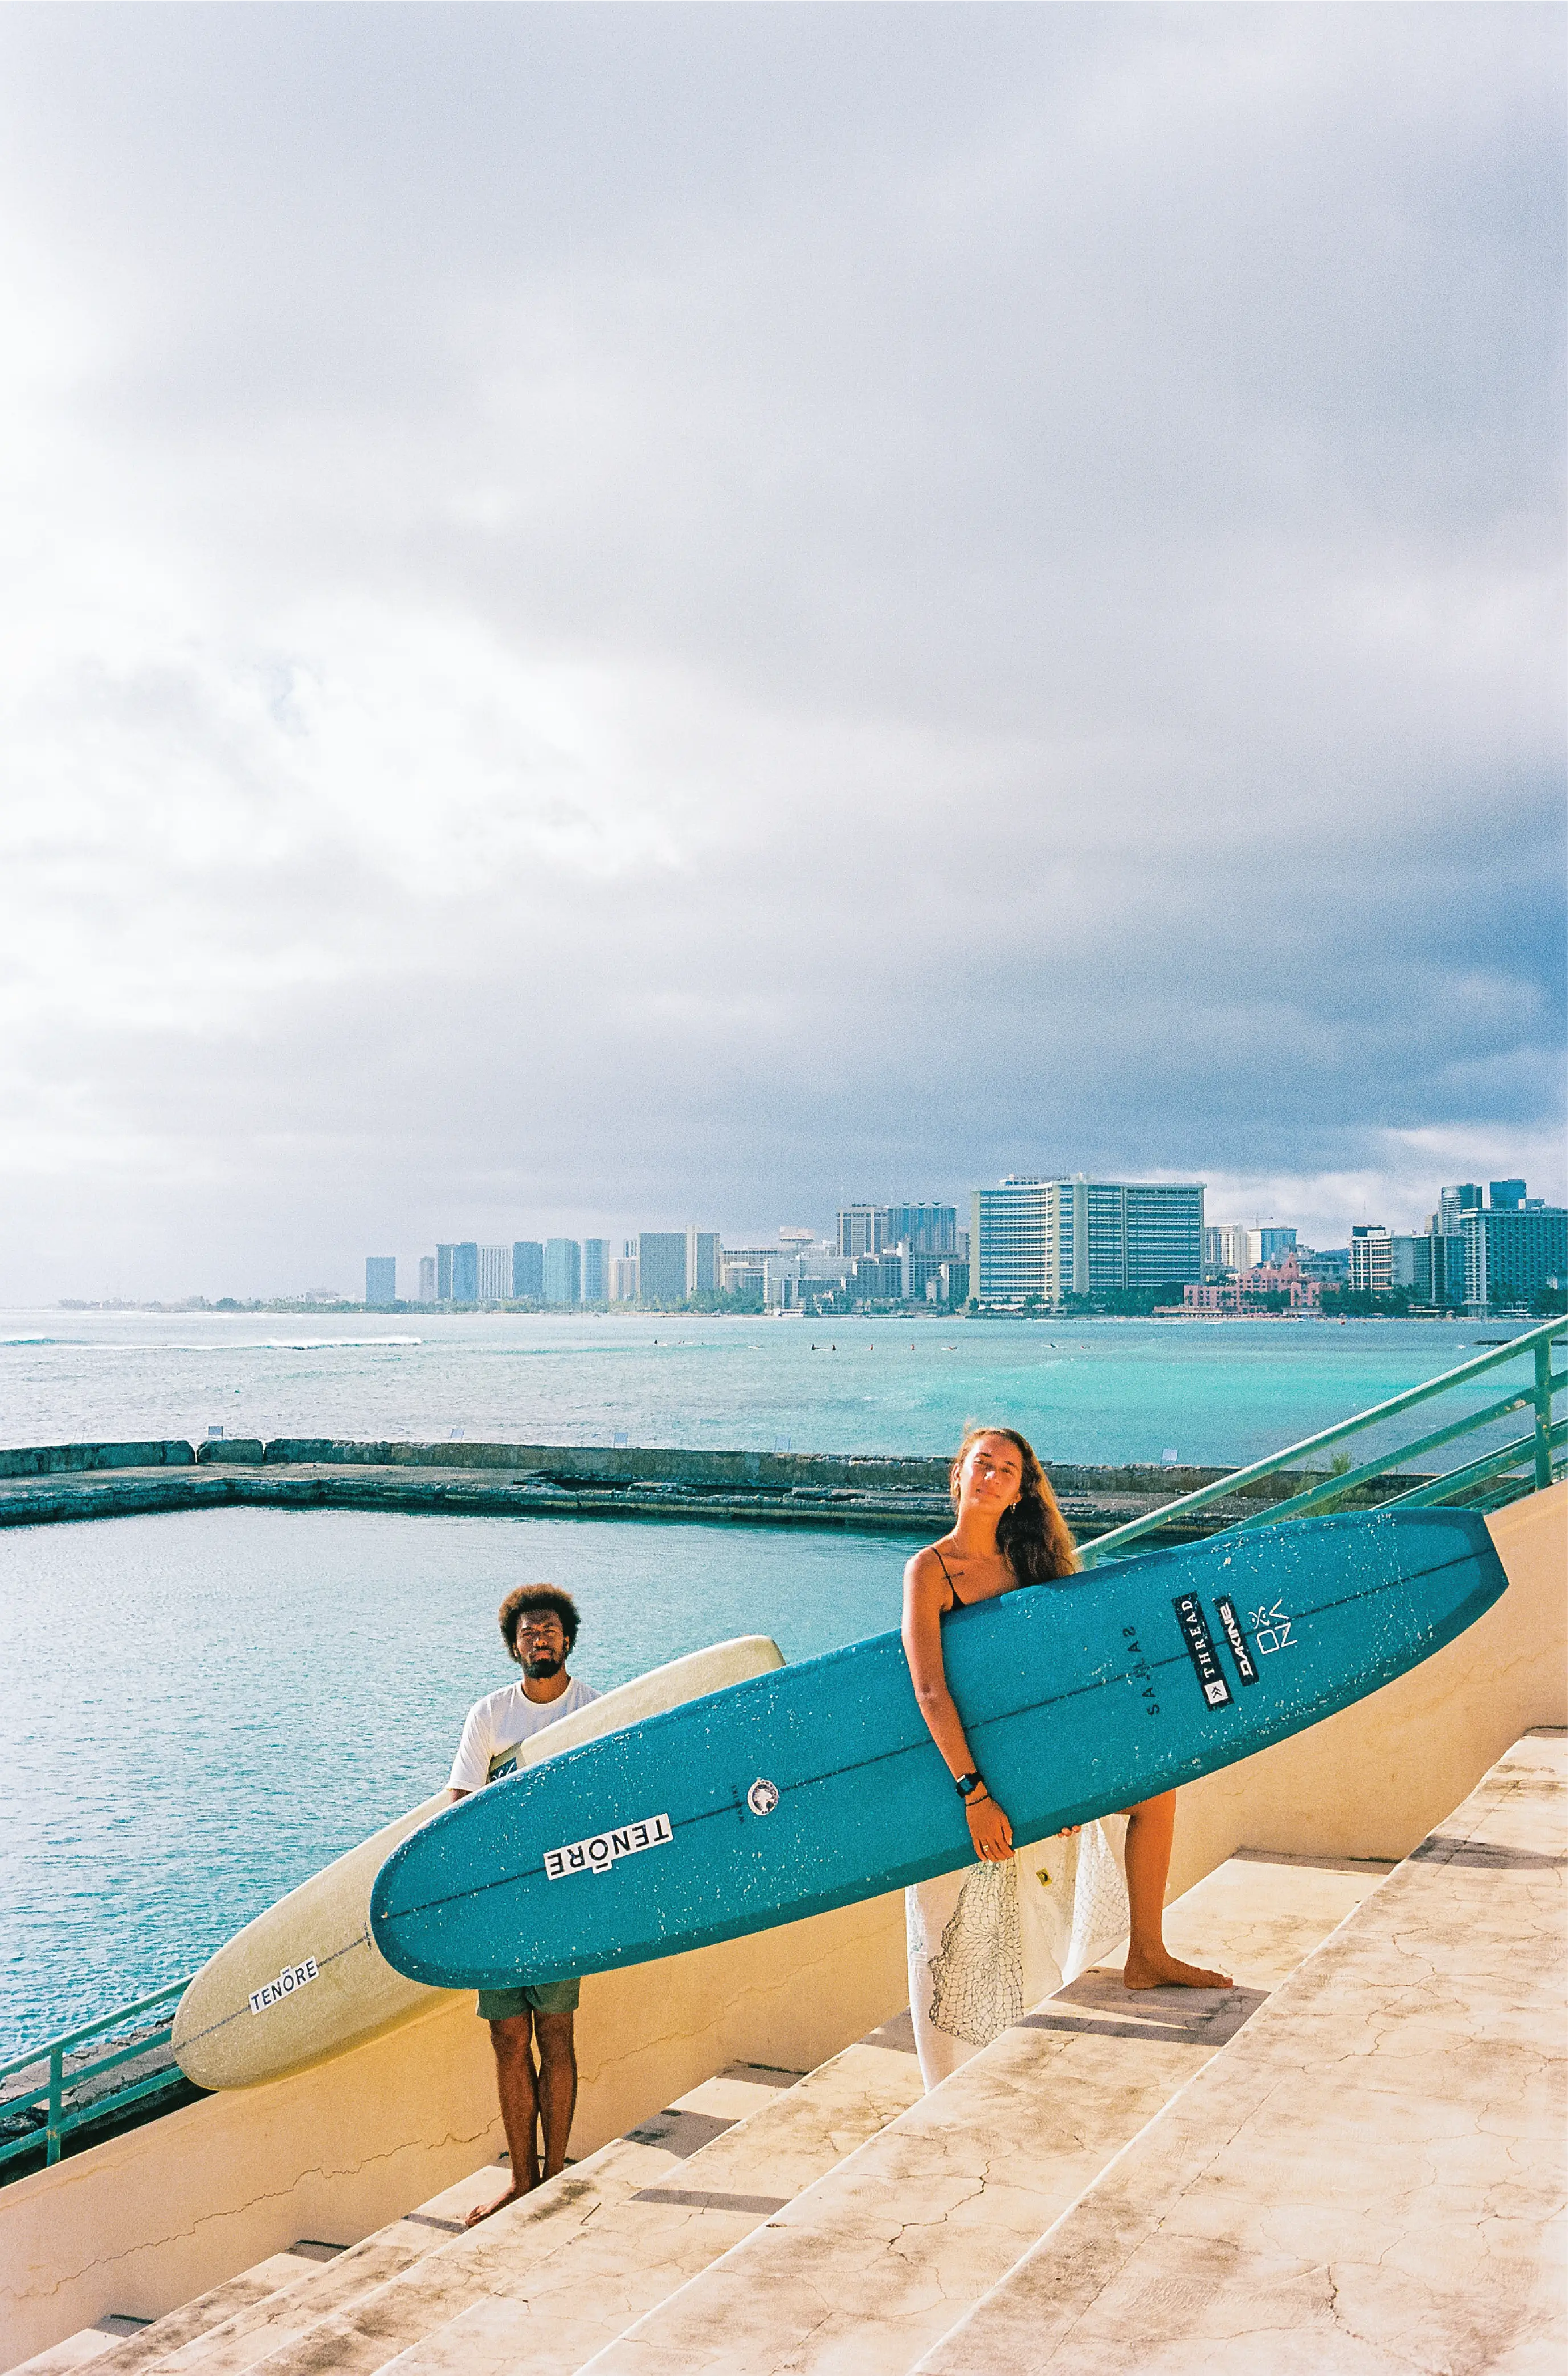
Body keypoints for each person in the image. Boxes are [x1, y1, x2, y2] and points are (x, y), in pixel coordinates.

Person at [902, 1427, 1231, 2089]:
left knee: (1157, 1791)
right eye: (982, 1465)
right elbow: (931, 1690)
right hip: (973, 1771)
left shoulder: (1033, 1562)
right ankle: (959, 2063)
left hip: (1038, 1760)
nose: (992, 1477)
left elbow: (1065, 1677)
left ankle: (1146, 1953)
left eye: (1007, 1471)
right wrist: (974, 1793)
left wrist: (1071, 1780)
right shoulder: (930, 1570)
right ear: (958, 1474)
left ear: (1022, 1489)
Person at [434, 1582, 600, 2224]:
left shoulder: (593, 1709)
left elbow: (607, 1809)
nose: (540, 1640)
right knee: (507, 2039)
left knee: (556, 2034)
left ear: (568, 1640)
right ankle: (521, 2179)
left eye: (550, 1631)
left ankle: (554, 2174)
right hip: (501, 1903)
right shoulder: (490, 1716)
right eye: (529, 1633)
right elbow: (459, 1806)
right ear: (513, 1646)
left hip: (561, 1900)